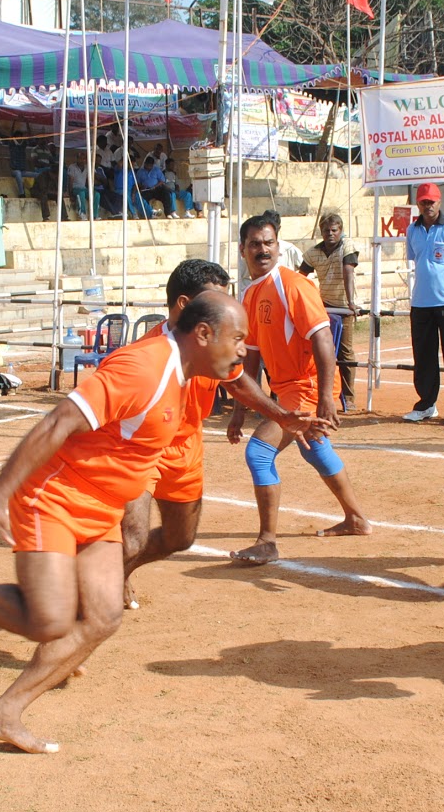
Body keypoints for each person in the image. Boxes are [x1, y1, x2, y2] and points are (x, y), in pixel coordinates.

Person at [0, 291, 250, 754]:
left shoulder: (185, 372)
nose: (243, 350)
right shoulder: (143, 368)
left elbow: (237, 384)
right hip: (54, 496)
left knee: (103, 616)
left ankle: (4, 713)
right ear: (204, 334)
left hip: (102, 509)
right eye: (238, 338)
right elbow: (58, 422)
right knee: (49, 621)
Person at [119, 260, 319, 606]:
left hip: (187, 448)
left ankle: (117, 571)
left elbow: (238, 381)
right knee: (132, 539)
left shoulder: (212, 345)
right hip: (142, 449)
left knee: (179, 538)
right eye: (214, 301)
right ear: (184, 305)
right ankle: (87, 594)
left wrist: (282, 416)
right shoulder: (141, 356)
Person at [227, 213, 371, 564]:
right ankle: (355, 519)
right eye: (255, 244)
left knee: (259, 453)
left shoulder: (293, 285)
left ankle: (267, 542)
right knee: (314, 448)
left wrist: (325, 398)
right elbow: (252, 357)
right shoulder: (250, 293)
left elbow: (322, 338)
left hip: (306, 387)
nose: (263, 250)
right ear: (243, 250)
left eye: (269, 243)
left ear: (279, 246)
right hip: (288, 388)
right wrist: (240, 409)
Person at [403, 183, 444, 425]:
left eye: (431, 202)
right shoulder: (412, 230)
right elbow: (416, 259)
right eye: (423, 202)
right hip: (420, 302)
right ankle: (426, 404)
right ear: (418, 204)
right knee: (423, 357)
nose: (427, 206)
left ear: (439, 202)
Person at [299, 212, 364, 413]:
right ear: (321, 231)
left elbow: (348, 272)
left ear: (340, 230)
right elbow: (301, 277)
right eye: (326, 230)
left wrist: (351, 302)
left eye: (334, 230)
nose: (330, 234)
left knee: (344, 351)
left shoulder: (347, 246)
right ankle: (317, 393)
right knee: (321, 350)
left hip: (343, 306)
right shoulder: (313, 252)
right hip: (323, 306)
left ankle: (348, 396)